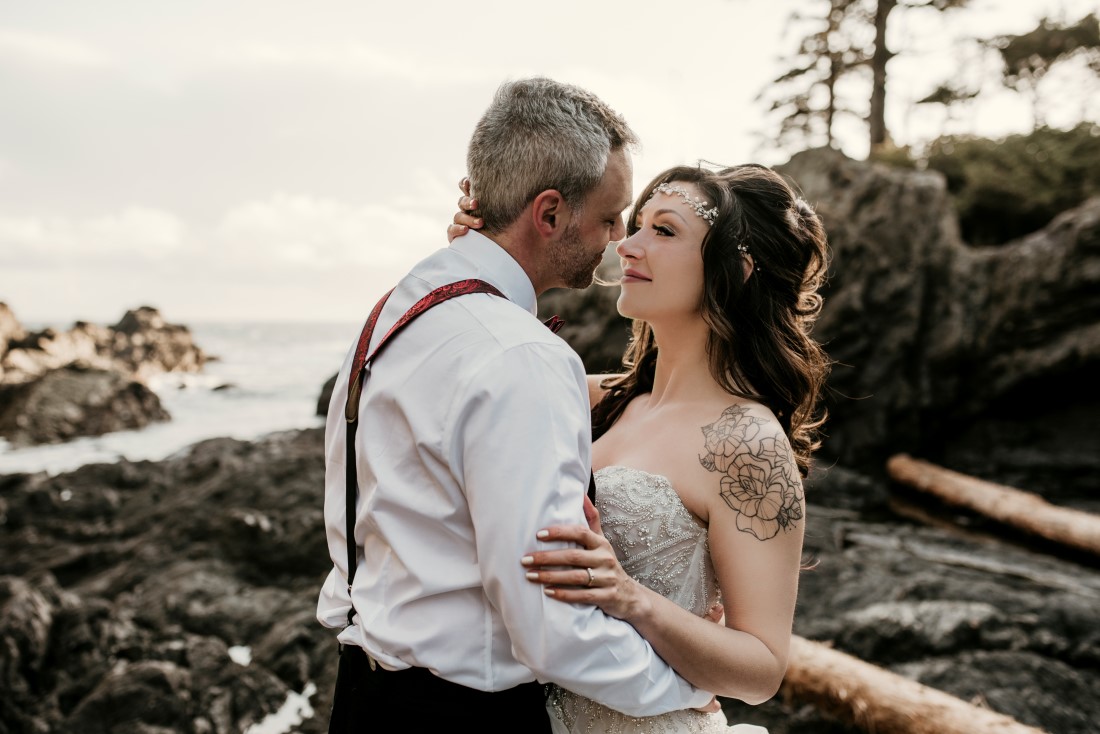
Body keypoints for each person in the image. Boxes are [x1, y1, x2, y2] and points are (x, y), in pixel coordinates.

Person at [316, 77, 718, 733]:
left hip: (362, 701)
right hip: (466, 718)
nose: (618, 240)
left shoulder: (390, 314)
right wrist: (678, 689)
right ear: (550, 212)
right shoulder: (522, 358)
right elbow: (546, 625)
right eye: (611, 216)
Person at [449, 162, 830, 732]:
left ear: (739, 269)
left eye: (665, 230)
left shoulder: (746, 443)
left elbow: (762, 669)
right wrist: (482, 253)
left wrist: (630, 598)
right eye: (636, 225)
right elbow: (470, 377)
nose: (627, 246)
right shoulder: (596, 398)